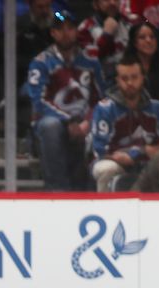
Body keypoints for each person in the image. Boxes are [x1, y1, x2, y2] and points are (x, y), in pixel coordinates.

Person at [27, 9, 105, 190]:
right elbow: (38, 101)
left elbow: (100, 99)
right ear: (53, 33)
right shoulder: (41, 62)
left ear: (76, 31)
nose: (66, 33)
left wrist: (87, 121)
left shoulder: (91, 62)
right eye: (60, 29)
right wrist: (67, 120)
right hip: (55, 122)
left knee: (101, 126)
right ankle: (57, 189)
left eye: (70, 28)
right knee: (50, 126)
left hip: (85, 122)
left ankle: (90, 191)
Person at [90, 52, 159, 191]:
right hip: (114, 163)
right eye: (124, 78)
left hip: (148, 163)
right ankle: (106, 211)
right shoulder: (105, 108)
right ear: (117, 80)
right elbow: (99, 150)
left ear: (142, 78)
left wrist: (135, 154)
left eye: (134, 77)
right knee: (106, 168)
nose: (130, 83)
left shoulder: (156, 108)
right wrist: (139, 153)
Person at [77, 0, 132, 83]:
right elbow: (88, 62)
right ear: (96, 4)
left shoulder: (129, 25)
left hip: (128, 82)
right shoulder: (85, 28)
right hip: (99, 84)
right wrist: (106, 35)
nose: (112, 3)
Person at [123, 20, 159, 102]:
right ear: (135, 43)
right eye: (142, 37)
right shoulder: (125, 66)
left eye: (152, 37)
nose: (148, 41)